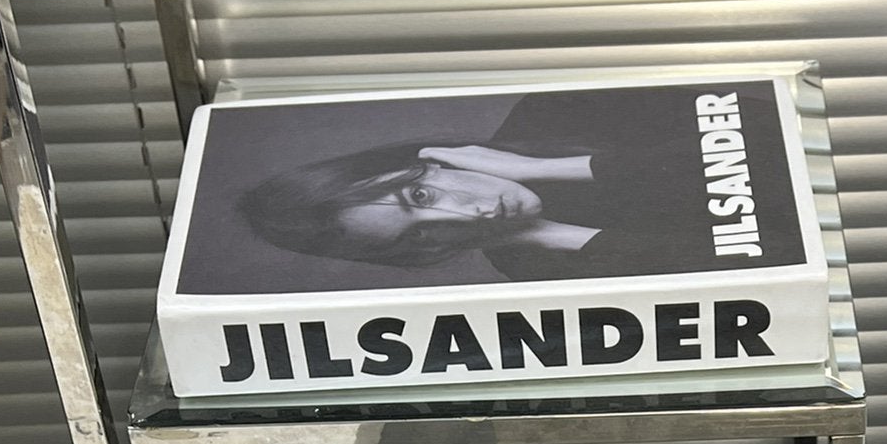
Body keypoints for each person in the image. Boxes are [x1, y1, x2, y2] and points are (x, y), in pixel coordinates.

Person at [239, 86, 758, 282]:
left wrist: (542, 168)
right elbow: (761, 274)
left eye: (420, 196)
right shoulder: (534, 267)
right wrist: (553, 234)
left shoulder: (559, 106)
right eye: (421, 233)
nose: (468, 216)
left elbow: (769, 141)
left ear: (430, 163)